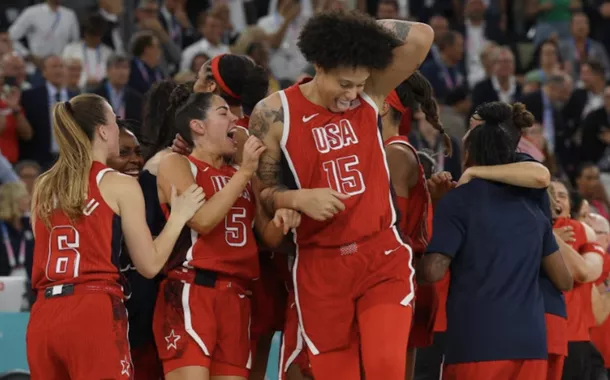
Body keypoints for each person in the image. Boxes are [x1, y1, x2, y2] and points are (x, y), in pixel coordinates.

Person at [248, 9, 435, 379]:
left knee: (386, 368)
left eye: (359, 85)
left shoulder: (372, 91)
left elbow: (421, 36)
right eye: (344, 84)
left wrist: (356, 34)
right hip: (320, 266)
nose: (352, 95)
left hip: (379, 255)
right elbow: (265, 192)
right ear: (319, 64)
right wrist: (297, 199)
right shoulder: (273, 113)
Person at [25, 94, 205, 379]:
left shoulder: (43, 186)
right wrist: (180, 216)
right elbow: (148, 264)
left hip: (44, 313)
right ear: (103, 131)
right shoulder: (118, 184)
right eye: (114, 121)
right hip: (92, 308)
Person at [154, 92, 301, 380]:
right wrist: (245, 171)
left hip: (237, 296)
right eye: (223, 113)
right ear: (198, 126)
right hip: (192, 289)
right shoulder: (178, 164)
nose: (235, 119)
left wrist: (285, 217)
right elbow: (203, 220)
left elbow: (268, 238)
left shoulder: (242, 175)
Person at [420, 119, 573, 380]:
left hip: (476, 342)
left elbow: (434, 271)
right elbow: (564, 279)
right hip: (531, 345)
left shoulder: (458, 201)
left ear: (468, 155)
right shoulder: (533, 210)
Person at [550, 180, 607, 380]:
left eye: (562, 195)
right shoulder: (528, 228)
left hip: (571, 337)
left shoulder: (576, 229)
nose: (556, 197)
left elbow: (585, 273)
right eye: (549, 192)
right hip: (540, 335)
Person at [0, 181, 32, 277]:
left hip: (28, 285)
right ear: (14, 200)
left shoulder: (30, 225)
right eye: (24, 197)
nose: (29, 200)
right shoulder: (2, 228)